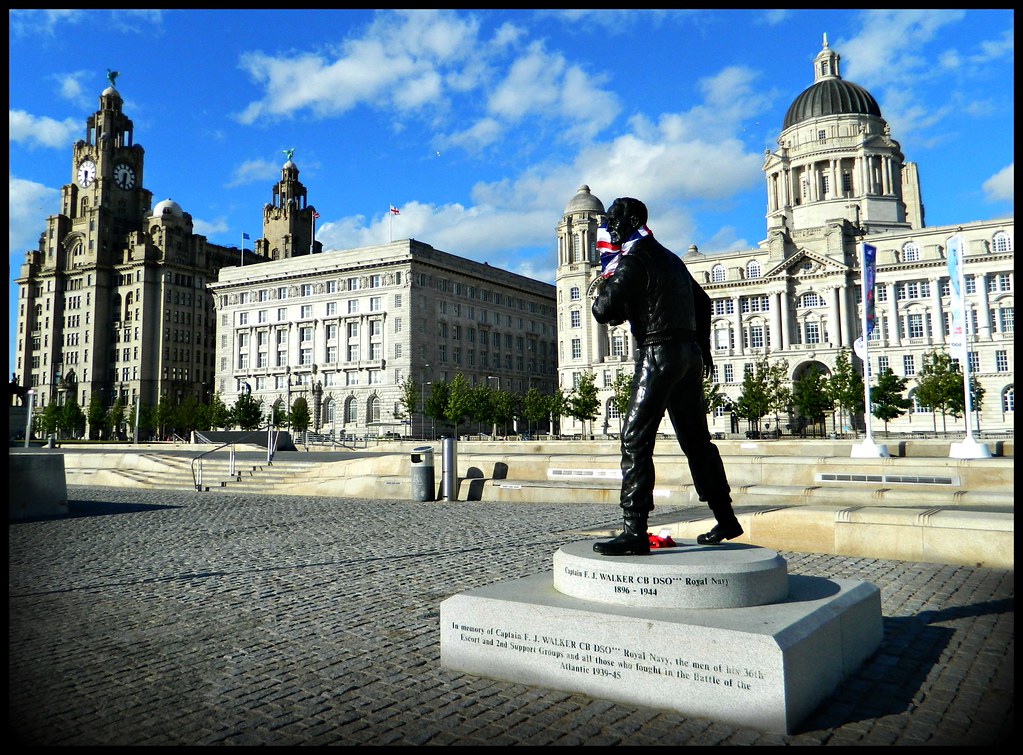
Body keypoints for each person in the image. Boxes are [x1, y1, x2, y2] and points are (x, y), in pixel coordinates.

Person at [591, 197, 742, 555]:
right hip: (687, 355)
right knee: (696, 441)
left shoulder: (634, 260)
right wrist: (702, 348)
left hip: (657, 353)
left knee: (634, 439)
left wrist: (606, 282)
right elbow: (703, 302)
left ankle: (634, 529)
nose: (609, 227)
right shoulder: (671, 259)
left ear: (631, 220)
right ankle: (726, 516)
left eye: (613, 220)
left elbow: (601, 310)